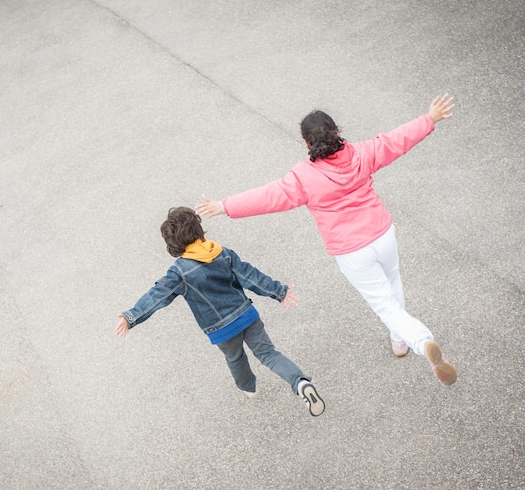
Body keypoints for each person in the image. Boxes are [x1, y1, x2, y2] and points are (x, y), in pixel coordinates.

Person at [196, 94, 457, 386]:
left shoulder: (304, 177)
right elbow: (395, 141)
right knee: (392, 283)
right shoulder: (362, 153)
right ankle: (399, 339)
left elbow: (268, 197)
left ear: (307, 143)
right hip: (383, 234)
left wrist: (225, 206)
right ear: (336, 132)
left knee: (384, 304)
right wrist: (428, 119)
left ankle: (422, 341)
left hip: (352, 251)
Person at [115, 206, 325, 416]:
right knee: (269, 354)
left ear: (173, 244)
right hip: (247, 315)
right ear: (198, 228)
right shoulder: (220, 251)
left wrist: (131, 317)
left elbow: (157, 295)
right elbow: (250, 276)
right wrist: (279, 291)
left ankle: (249, 388)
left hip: (221, 331)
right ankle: (300, 383)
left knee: (235, 358)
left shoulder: (179, 271)